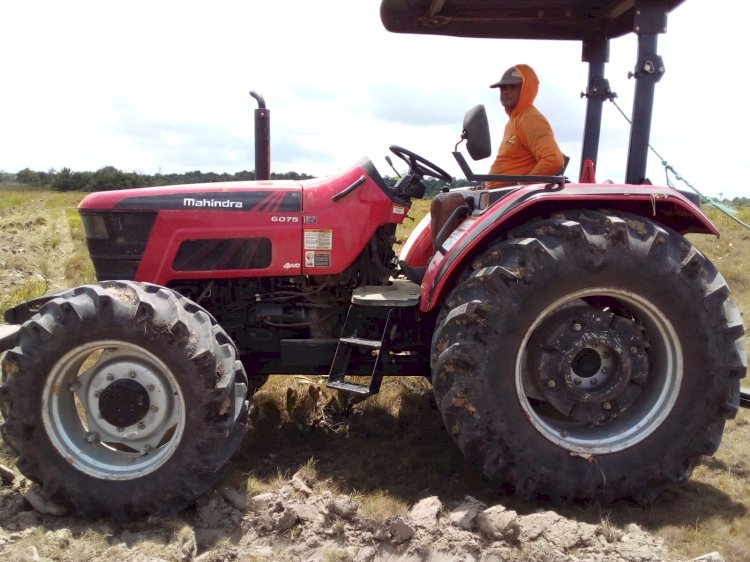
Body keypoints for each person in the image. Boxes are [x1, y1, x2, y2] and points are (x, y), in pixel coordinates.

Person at [400, 64, 564, 284]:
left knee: (445, 202)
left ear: (526, 89)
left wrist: (519, 187)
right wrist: (487, 185)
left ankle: (440, 271)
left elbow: (553, 160)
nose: (504, 92)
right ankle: (434, 263)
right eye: (501, 88)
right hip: (497, 190)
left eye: (512, 87)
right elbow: (509, 164)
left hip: (508, 195)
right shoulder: (514, 120)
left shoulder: (530, 119)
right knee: (442, 200)